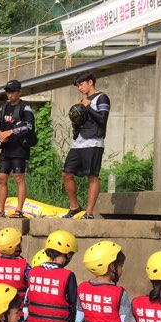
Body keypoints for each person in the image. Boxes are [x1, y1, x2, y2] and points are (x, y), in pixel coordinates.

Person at [63, 73, 110, 219]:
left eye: (81, 84)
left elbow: (102, 119)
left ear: (90, 82)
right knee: (66, 174)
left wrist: (87, 107)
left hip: (94, 142)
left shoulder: (102, 97)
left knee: (93, 176)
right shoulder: (83, 100)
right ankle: (75, 207)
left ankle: (89, 212)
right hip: (79, 142)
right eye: (77, 85)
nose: (79, 87)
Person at [0, 80, 36, 218]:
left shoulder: (25, 107)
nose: (10, 95)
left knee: (18, 177)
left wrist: (10, 132)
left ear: (19, 92)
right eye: (8, 92)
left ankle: (19, 210)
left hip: (19, 147)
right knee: (1, 178)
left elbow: (29, 126)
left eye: (13, 92)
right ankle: (0, 209)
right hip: (6, 148)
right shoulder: (4, 107)